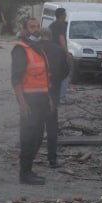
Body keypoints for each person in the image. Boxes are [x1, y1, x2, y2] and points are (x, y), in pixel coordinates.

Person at [12, 17, 52, 185]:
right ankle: (25, 173)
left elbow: (45, 77)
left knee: (37, 137)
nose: (36, 29)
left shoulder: (38, 49)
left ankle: (29, 170)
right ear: (25, 30)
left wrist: (49, 98)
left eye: (37, 26)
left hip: (42, 99)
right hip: (29, 100)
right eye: (32, 27)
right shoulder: (21, 50)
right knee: (28, 137)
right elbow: (16, 80)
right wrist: (22, 104)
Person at [42, 23, 71, 168]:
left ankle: (29, 157)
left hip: (35, 93)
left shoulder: (33, 49)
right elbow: (66, 71)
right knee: (52, 127)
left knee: (35, 127)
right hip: (53, 93)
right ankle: (52, 159)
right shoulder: (58, 50)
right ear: (51, 37)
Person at [49, 7, 72, 103]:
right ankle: (62, 97)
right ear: (62, 15)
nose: (66, 15)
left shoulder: (52, 25)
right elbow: (62, 40)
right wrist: (67, 53)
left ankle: (55, 96)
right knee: (65, 74)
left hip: (52, 52)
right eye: (65, 13)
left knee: (55, 75)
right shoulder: (61, 25)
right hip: (59, 52)